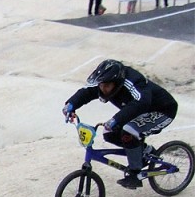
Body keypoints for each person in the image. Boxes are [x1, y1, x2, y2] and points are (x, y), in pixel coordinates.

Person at [62, 59, 178, 189]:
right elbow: (88, 92)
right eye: (101, 85)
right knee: (109, 134)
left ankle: (135, 174)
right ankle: (145, 151)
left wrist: (116, 119)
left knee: (129, 131)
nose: (103, 89)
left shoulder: (134, 81)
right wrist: (71, 105)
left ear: (117, 82)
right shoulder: (106, 84)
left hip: (162, 111)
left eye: (106, 86)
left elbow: (142, 102)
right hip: (139, 112)